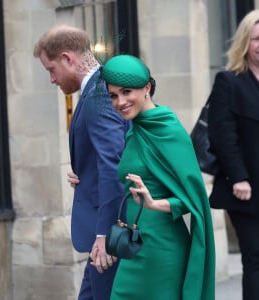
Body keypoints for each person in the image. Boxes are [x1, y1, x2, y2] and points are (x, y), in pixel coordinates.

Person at [99, 54, 215, 300]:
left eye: (126, 92)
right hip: (134, 246)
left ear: (147, 87)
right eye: (113, 95)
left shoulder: (169, 131)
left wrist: (154, 204)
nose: (120, 101)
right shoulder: (136, 129)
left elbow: (194, 199)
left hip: (163, 251)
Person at [33, 25, 130, 300]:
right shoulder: (99, 88)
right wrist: (84, 173)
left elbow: (114, 165)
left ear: (67, 58)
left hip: (107, 236)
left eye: (51, 70)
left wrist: (105, 235)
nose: (52, 79)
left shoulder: (98, 94)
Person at [207, 9, 259, 300]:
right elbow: (222, 135)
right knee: (255, 258)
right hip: (247, 186)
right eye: (256, 38)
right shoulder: (230, 82)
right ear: (245, 42)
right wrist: (238, 177)